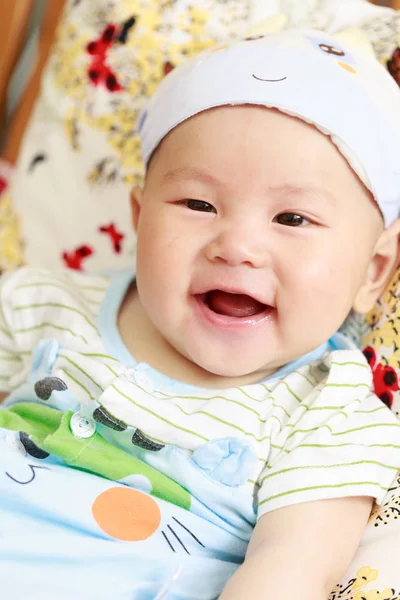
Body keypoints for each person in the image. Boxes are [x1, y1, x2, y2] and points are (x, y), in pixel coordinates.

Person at [1, 29, 400, 600]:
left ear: (372, 270)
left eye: (292, 218)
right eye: (198, 204)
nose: (236, 246)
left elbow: (291, 572)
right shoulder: (46, 305)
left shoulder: (329, 418)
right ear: (139, 218)